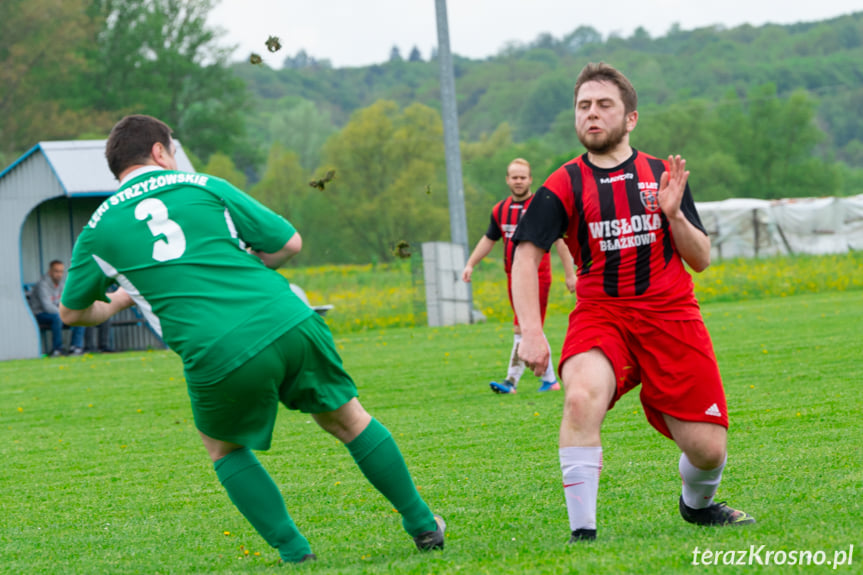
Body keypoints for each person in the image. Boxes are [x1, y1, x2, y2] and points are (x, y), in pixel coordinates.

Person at [59, 114, 445, 564]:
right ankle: (422, 524)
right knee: (348, 418)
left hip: (216, 347)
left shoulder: (98, 229)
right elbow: (289, 244)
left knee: (223, 447)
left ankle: (296, 554)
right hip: (287, 316)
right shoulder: (203, 185)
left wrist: (115, 304)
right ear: (160, 152)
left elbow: (71, 311)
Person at [510, 62, 755, 543]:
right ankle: (584, 535)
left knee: (707, 450)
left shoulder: (663, 175)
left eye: (604, 105)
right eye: (584, 107)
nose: (592, 115)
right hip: (603, 316)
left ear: (631, 118)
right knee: (579, 398)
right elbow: (525, 254)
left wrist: (674, 216)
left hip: (671, 317)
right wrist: (532, 330)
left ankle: (698, 506)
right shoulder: (562, 184)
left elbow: (700, 258)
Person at [461, 158, 576, 394]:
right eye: (514, 177)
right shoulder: (500, 210)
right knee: (527, 328)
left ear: (530, 179)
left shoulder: (543, 206)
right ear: (507, 180)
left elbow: (560, 241)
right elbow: (489, 238)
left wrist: (569, 273)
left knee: (524, 327)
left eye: (523, 177)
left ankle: (511, 382)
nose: (519, 181)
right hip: (511, 277)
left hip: (538, 277)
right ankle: (549, 380)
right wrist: (471, 263)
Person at [30, 260, 86, 357]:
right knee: (57, 318)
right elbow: (47, 307)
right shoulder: (42, 284)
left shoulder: (62, 284)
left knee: (79, 316)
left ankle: (75, 348)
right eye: (56, 271)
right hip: (40, 314)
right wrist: (64, 313)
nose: (59, 274)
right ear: (50, 272)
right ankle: (57, 349)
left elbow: (66, 302)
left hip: (57, 314)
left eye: (61, 272)